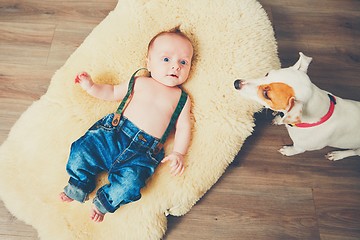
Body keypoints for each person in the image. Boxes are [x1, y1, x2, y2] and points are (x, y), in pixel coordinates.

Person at [59, 28, 193, 223]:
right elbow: (112, 92)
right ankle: (79, 184)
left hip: (144, 153)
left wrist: (179, 152)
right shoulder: (140, 81)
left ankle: (105, 202)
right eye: (166, 59)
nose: (176, 67)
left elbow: (183, 127)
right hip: (113, 134)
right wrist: (91, 86)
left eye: (183, 62)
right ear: (149, 63)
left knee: (131, 184)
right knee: (81, 150)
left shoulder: (181, 98)